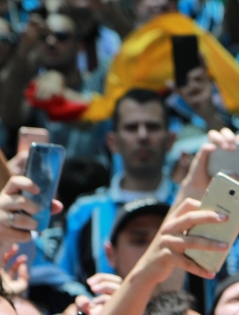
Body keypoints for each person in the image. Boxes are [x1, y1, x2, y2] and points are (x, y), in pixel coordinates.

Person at [57, 89, 178, 281]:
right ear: (113, 142)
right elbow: (64, 280)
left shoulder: (190, 205)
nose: (143, 136)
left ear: (170, 140)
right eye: (131, 127)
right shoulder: (85, 212)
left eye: (153, 127)